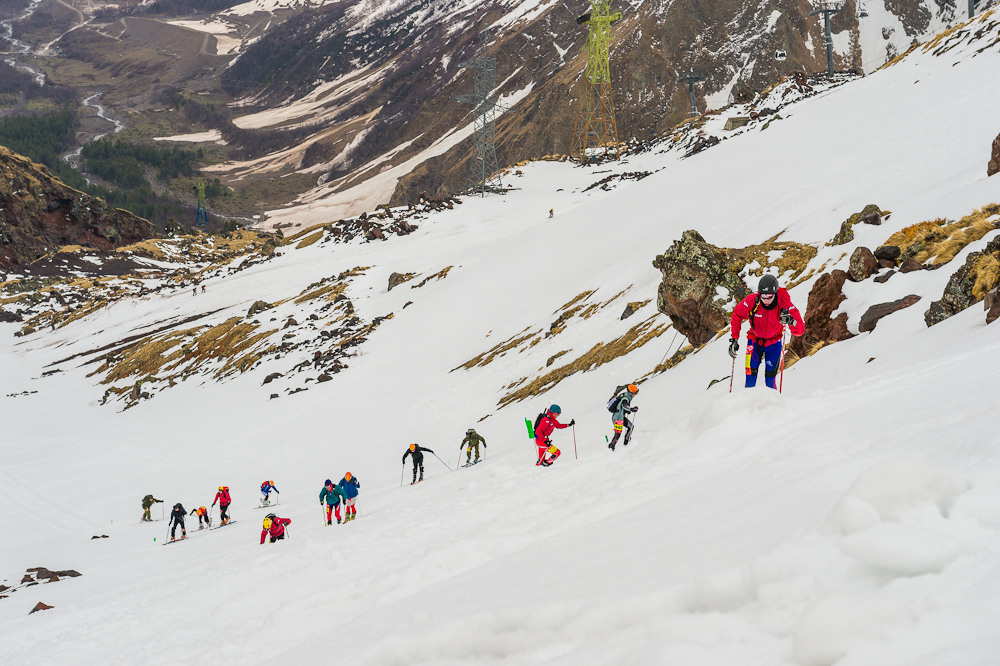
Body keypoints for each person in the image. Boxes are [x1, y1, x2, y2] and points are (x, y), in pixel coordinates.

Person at [730, 274, 805, 389]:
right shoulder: (752, 301)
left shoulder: (784, 303)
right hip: (754, 341)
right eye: (763, 297)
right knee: (750, 379)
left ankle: (772, 400)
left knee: (770, 380)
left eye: (769, 297)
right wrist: (734, 339)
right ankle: (748, 400)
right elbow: (736, 315)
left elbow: (800, 330)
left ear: (775, 293)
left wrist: (791, 321)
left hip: (774, 343)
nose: (766, 301)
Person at [608, 384, 639, 451]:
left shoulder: (626, 395)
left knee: (631, 427)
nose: (635, 395)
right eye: (635, 393)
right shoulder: (625, 398)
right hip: (617, 419)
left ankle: (626, 443)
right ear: (631, 393)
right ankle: (611, 448)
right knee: (617, 435)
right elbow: (624, 405)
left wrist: (627, 411)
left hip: (620, 417)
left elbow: (622, 407)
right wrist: (631, 409)